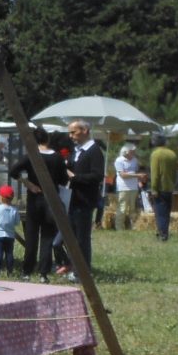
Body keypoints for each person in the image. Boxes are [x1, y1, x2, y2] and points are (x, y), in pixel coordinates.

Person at [9, 127, 69, 281]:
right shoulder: (57, 157)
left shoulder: (31, 156)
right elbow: (64, 180)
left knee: (31, 236)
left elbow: (13, 171)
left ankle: (27, 271)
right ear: (47, 139)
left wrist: (27, 182)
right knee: (47, 237)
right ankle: (43, 273)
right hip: (52, 200)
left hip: (34, 199)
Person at [63, 119, 103, 278]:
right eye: (69, 132)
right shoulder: (77, 150)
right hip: (73, 199)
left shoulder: (94, 151)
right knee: (72, 237)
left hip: (85, 200)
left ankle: (83, 271)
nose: (70, 135)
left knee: (82, 238)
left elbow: (97, 176)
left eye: (73, 132)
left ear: (85, 131)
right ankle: (75, 267)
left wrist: (75, 177)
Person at [149, 134, 178, 241]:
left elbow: (155, 173)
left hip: (160, 187)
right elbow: (175, 173)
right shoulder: (172, 154)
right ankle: (163, 231)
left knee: (160, 212)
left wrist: (154, 188)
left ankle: (162, 234)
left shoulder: (156, 154)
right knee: (166, 212)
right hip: (169, 187)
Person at [113, 144, 142, 230]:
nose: (133, 153)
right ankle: (119, 227)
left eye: (134, 151)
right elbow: (123, 175)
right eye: (131, 151)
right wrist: (137, 175)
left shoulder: (135, 160)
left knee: (133, 208)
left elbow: (136, 171)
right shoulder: (119, 161)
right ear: (125, 152)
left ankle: (132, 226)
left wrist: (139, 179)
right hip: (123, 187)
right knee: (122, 207)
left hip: (133, 187)